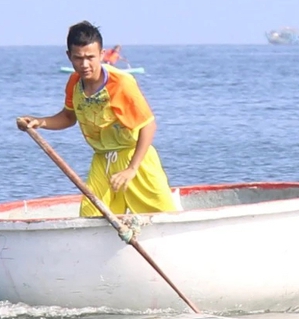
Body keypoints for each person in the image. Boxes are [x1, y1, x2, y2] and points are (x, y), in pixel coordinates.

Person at [17, 21, 180, 218]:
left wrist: (131, 169)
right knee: (91, 216)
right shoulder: (75, 83)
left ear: (102, 55)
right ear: (69, 56)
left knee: (163, 215)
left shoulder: (120, 84)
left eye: (90, 58)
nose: (84, 65)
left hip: (135, 158)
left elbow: (148, 126)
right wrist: (39, 122)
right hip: (102, 160)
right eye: (78, 58)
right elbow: (69, 116)